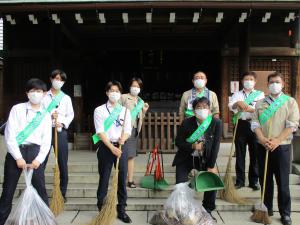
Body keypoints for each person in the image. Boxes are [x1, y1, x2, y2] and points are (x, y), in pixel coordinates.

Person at [0, 78, 52, 225]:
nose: (36, 94)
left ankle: (46, 221)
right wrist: (17, 157)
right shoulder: (17, 109)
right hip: (16, 152)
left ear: (44, 94)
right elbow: (10, 135)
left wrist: (39, 160)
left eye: (39, 91)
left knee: (41, 190)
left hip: (35, 153)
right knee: (8, 191)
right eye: (32, 91)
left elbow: (46, 141)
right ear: (27, 93)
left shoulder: (45, 115)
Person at [251, 72, 299, 225]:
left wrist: (277, 140)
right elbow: (255, 124)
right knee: (265, 180)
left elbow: (292, 125)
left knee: (283, 182)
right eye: (271, 82)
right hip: (263, 146)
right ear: (267, 85)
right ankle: (267, 208)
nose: (274, 84)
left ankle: (285, 213)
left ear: (282, 84)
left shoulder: (290, 102)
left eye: (277, 82)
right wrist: (263, 139)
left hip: (282, 147)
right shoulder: (260, 103)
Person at [173, 97, 222, 221]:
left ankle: (207, 210)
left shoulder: (216, 123)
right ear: (194, 111)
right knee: (180, 186)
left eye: (205, 107)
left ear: (210, 110)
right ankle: (183, 212)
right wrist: (193, 146)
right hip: (186, 158)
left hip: (205, 159)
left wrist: (211, 166)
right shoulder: (187, 122)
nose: (202, 110)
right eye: (198, 108)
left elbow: (216, 146)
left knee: (213, 181)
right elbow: (178, 142)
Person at [94, 80, 132, 223]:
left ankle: (121, 210)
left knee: (121, 179)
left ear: (120, 93)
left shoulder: (125, 111)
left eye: (117, 91)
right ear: (107, 93)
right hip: (106, 147)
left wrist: (124, 138)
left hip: (121, 146)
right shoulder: (99, 110)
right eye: (111, 90)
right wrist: (112, 147)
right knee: (104, 178)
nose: (114, 93)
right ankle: (102, 208)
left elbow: (128, 129)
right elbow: (100, 131)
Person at [228, 71, 264, 190]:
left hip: (254, 125)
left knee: (255, 154)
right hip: (241, 125)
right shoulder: (237, 94)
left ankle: (254, 181)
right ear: (242, 81)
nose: (248, 81)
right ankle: (240, 180)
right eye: (246, 79)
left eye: (251, 79)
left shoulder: (260, 94)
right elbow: (231, 107)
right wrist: (237, 103)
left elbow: (261, 109)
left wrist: (247, 108)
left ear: (255, 81)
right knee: (240, 154)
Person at [42, 69, 74, 202]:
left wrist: (62, 122)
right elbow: (38, 113)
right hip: (44, 132)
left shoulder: (66, 98)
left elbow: (70, 114)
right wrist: (49, 117)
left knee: (62, 162)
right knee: (41, 162)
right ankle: (40, 191)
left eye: (61, 80)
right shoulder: (43, 96)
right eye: (56, 78)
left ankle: (62, 192)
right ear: (51, 79)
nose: (58, 81)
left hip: (60, 132)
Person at [120, 77, 149, 188]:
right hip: (123, 130)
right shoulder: (123, 97)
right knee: (121, 155)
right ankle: (120, 179)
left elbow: (139, 117)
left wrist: (144, 112)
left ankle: (130, 180)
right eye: (134, 86)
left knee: (131, 156)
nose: (135, 88)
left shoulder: (141, 101)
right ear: (130, 86)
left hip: (134, 130)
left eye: (138, 86)